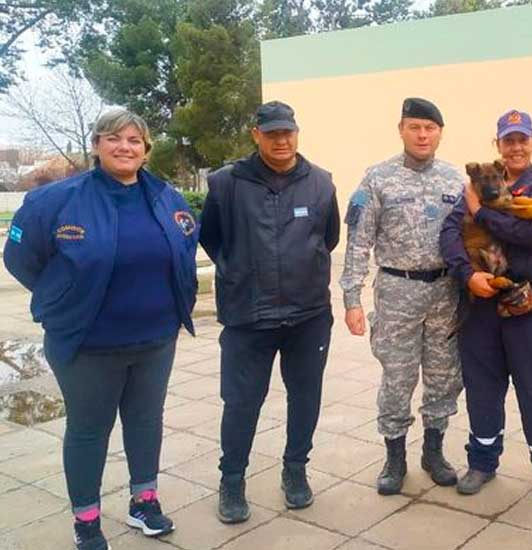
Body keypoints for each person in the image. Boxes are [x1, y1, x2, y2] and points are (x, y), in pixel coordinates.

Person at [4, 109, 199, 550]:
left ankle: (143, 501)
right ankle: (87, 521)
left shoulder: (167, 198)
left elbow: (185, 246)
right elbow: (21, 259)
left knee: (146, 421)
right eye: (114, 138)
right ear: (96, 145)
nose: (124, 147)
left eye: (135, 140)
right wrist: (64, 295)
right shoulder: (57, 201)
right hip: (87, 343)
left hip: (155, 338)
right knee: (90, 429)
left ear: (146, 150)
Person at [199, 100, 340, 523]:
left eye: (288, 132)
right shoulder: (226, 184)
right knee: (241, 402)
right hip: (248, 317)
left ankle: (295, 471)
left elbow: (327, 238)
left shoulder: (321, 183)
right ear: (255, 135)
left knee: (305, 398)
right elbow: (213, 240)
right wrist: (241, 272)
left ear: (297, 133)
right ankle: (232, 480)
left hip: (308, 315)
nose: (282, 140)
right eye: (272, 133)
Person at [439, 110, 532, 501]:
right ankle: (481, 463)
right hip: (482, 302)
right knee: (482, 386)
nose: (515, 147)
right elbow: (448, 233)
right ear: (498, 146)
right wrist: (466, 275)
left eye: (522, 140)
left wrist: (480, 213)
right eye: (508, 140)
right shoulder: (477, 183)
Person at [340, 97, 464, 495]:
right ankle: (394, 459)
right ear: (401, 129)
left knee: (444, 376)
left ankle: (433, 450)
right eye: (415, 127)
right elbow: (358, 241)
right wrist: (352, 299)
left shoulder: (455, 180)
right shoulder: (377, 178)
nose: (423, 134)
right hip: (397, 292)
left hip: (446, 293)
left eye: (430, 128)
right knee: (397, 377)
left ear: (440, 132)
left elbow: (472, 235)